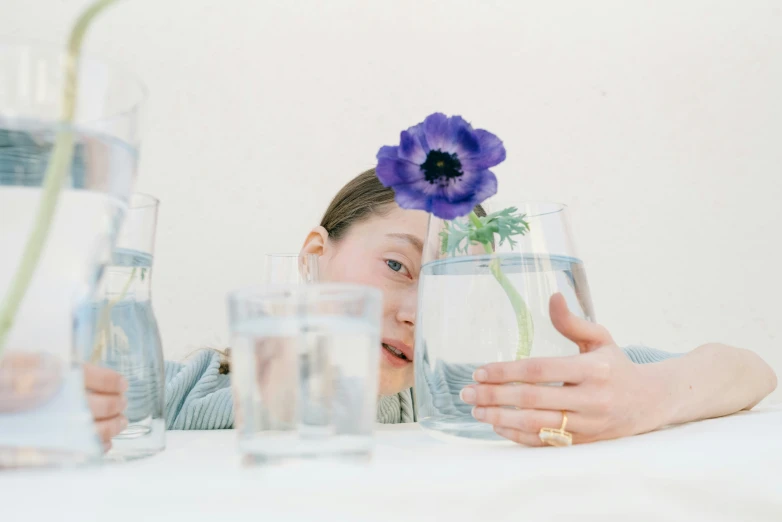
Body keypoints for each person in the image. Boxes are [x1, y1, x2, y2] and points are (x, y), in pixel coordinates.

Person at [86, 168, 777, 448]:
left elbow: (749, 371)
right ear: (314, 256)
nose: (417, 312)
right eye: (397, 267)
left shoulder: (470, 396)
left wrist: (645, 397)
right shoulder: (181, 393)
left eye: (441, 283)